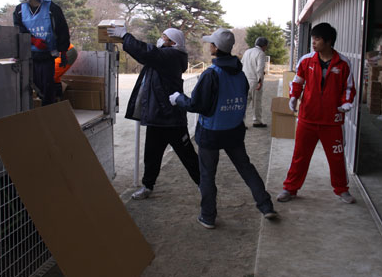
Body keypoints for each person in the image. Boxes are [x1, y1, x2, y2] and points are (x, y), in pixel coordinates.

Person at [168, 28, 277, 229]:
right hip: (234, 131)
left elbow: (196, 105)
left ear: (215, 48)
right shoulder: (240, 74)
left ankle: (208, 216)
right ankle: (266, 205)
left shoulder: (211, 74)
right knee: (246, 168)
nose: (209, 45)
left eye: (211, 43)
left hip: (210, 133)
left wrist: (178, 99)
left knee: (208, 174)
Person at [107, 25, 200, 200]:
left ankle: (204, 185)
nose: (160, 38)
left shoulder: (172, 55)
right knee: (152, 156)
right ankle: (147, 186)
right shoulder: (164, 56)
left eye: (164, 37)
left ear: (172, 42)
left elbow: (146, 52)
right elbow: (146, 55)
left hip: (172, 119)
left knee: (188, 156)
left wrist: (126, 36)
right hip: (158, 117)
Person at [276, 22, 357, 204]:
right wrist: (293, 97)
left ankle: (342, 189)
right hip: (308, 118)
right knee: (299, 155)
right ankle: (290, 188)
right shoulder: (306, 60)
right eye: (313, 38)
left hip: (332, 120)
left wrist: (346, 103)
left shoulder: (343, 63)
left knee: (336, 158)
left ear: (329, 41)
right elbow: (297, 81)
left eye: (317, 39)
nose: (314, 42)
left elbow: (349, 87)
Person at [13, 0, 70, 106]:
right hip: (28, 56)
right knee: (30, 86)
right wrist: (33, 40)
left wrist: (63, 51)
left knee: (47, 87)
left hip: (46, 56)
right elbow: (18, 29)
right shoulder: (19, 10)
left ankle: (48, 113)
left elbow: (62, 30)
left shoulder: (52, 9)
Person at [241, 37, 269, 128]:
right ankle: (257, 121)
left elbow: (242, 64)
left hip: (245, 80)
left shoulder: (247, 52)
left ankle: (240, 121)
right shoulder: (261, 53)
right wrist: (260, 81)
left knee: (245, 102)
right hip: (254, 81)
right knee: (256, 102)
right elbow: (259, 69)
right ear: (264, 46)